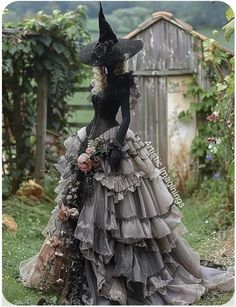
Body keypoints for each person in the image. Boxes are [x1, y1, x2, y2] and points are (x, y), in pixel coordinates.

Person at [19, 2, 234, 305]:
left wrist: (116, 147)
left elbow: (127, 119)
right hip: (90, 138)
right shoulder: (101, 82)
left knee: (119, 210)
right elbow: (95, 115)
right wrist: (82, 145)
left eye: (108, 60)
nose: (104, 65)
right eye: (101, 61)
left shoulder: (122, 82)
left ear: (117, 59)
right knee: (79, 202)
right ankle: (78, 268)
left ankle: (124, 273)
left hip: (114, 141)